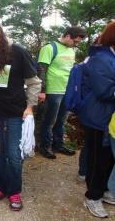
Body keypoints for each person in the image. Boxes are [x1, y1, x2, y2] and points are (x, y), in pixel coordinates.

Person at [0, 16, 41, 211]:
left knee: (12, 154)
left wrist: (30, 106)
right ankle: (1, 188)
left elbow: (34, 82)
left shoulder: (17, 51)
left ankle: (14, 192)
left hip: (16, 112)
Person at [79, 21, 115, 218]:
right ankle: (92, 197)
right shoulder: (101, 59)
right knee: (98, 159)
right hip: (98, 116)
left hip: (108, 117)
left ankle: (104, 191)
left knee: (109, 157)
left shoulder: (110, 57)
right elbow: (104, 91)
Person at [37, 27, 86, 159]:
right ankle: (45, 146)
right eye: (75, 41)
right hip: (52, 91)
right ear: (68, 36)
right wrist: (42, 90)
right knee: (49, 121)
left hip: (67, 91)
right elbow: (41, 69)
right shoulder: (49, 48)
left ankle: (58, 145)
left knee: (61, 120)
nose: (76, 44)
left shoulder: (71, 50)